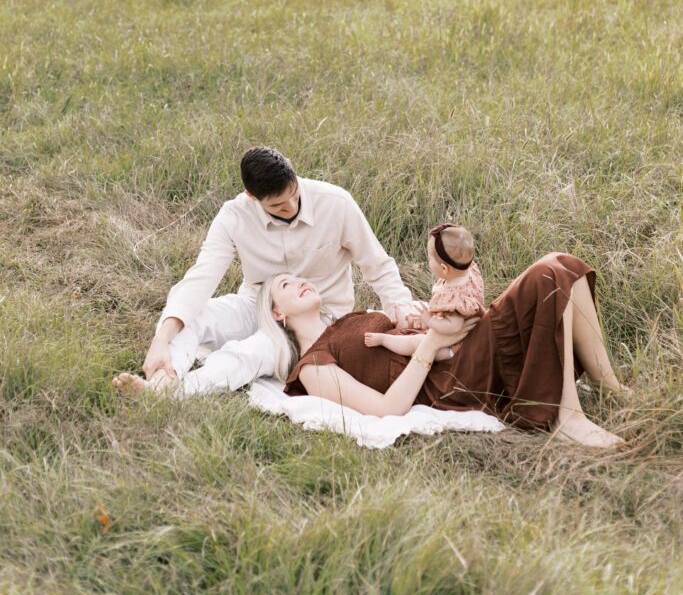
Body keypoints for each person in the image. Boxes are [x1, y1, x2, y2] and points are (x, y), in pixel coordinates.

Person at [113, 146, 414, 397]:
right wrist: (160, 340)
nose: (292, 205)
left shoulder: (335, 203)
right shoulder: (234, 216)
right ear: (252, 197)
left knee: (255, 352)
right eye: (279, 205)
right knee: (193, 316)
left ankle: (169, 394)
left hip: (318, 318)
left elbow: (377, 264)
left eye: (294, 194)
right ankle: (163, 377)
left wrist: (401, 310)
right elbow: (201, 277)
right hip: (257, 304)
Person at [258, 251, 629, 449]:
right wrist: (432, 343)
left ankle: (611, 389)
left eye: (301, 278)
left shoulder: (354, 318)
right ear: (278, 313)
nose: (302, 283)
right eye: (288, 285)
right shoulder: (312, 366)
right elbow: (387, 409)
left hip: (460, 344)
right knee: (549, 272)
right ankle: (566, 416)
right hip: (448, 377)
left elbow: (405, 337)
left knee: (566, 268)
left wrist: (429, 322)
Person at [364, 223, 484, 359]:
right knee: (418, 307)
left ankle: (384, 340)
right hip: (449, 327)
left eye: (430, 258)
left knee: (416, 343)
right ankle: (401, 319)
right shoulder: (468, 270)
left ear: (444, 269)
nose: (429, 262)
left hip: (453, 347)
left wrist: (429, 321)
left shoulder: (456, 300)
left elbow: (454, 327)